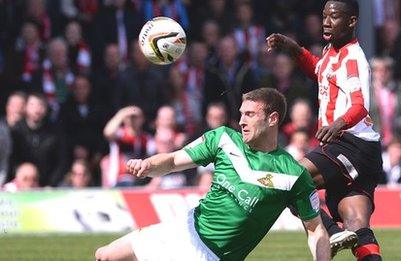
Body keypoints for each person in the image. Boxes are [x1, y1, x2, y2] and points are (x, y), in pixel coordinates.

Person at [95, 88, 330, 261]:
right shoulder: (223, 138)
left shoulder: (293, 174)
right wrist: (148, 165)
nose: (241, 121)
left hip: (211, 256)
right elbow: (174, 159)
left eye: (250, 114)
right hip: (186, 227)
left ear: (273, 119)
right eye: (241, 114)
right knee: (105, 256)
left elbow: (315, 229)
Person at [267, 1, 383, 260]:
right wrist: (294, 49)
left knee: (288, 181)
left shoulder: (354, 58)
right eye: (324, 16)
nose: (327, 22)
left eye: (334, 17)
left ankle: (330, 232)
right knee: (357, 227)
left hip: (350, 144)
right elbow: (318, 71)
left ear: (352, 22)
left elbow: (360, 105)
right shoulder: (333, 52)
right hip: (363, 152)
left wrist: (337, 124)